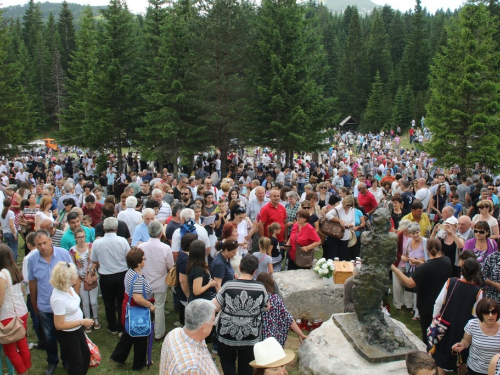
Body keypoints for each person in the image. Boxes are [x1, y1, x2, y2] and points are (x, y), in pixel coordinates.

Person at [212, 255, 269, 375]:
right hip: (250, 336)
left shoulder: (228, 285)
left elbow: (215, 306)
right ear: (255, 271)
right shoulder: (260, 287)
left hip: (227, 335)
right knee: (247, 366)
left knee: (227, 363)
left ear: (239, 267)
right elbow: (266, 306)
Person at [391, 239, 452, 347]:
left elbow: (409, 283)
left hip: (427, 307)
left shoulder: (425, 268)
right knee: (440, 334)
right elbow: (435, 267)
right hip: (442, 305)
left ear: (427, 250)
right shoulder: (447, 261)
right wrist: (421, 263)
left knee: (427, 336)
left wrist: (395, 269)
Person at [28, 230, 73, 375]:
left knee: (65, 335)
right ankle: (52, 361)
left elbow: (73, 276)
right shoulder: (32, 259)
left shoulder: (63, 254)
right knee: (49, 336)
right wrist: (34, 303)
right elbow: (32, 282)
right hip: (44, 305)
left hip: (63, 304)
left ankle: (67, 361)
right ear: (34, 245)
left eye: (44, 243)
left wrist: (73, 296)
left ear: (50, 241)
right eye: (38, 244)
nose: (42, 247)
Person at [432, 258, 482, 375]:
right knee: (462, 356)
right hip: (464, 328)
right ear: (476, 272)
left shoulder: (451, 282)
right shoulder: (478, 292)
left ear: (462, 269)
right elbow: (476, 314)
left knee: (442, 353)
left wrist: (435, 319)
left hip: (446, 323)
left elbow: (438, 303)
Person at [110, 247, 155, 371]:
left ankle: (118, 356)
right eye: (144, 258)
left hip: (129, 308)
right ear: (138, 263)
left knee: (130, 333)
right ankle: (139, 364)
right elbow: (138, 298)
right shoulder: (138, 279)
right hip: (138, 310)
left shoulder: (130, 272)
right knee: (140, 336)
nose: (145, 260)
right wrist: (150, 305)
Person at [50, 261, 93, 375]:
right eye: (74, 275)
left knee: (85, 356)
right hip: (67, 334)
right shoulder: (58, 299)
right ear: (66, 278)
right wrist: (81, 321)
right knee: (76, 364)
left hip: (77, 329)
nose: (76, 276)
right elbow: (59, 325)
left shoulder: (69, 288)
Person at [89, 217, 130, 335]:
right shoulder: (122, 241)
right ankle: (121, 326)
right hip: (121, 274)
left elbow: (94, 260)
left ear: (103, 228)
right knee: (122, 301)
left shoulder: (97, 243)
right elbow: (128, 257)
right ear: (116, 228)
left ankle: (112, 326)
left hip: (106, 276)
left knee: (109, 302)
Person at [160, 299, 220, 375]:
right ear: (204, 327)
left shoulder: (174, 332)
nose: (214, 324)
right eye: (213, 320)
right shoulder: (191, 368)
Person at [138, 221, 174, 340]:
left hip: (145, 282)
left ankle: (144, 329)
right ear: (160, 233)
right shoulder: (165, 248)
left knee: (145, 306)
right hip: (159, 282)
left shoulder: (141, 246)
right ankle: (159, 333)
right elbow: (170, 265)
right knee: (159, 307)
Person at [0, 244, 31, 375]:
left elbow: (0, 300)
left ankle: (22, 372)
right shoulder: (15, 270)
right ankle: (27, 370)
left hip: (9, 316)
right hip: (21, 312)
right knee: (22, 343)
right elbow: (22, 291)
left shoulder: (2, 275)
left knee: (10, 350)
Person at [256, 273, 306, 347]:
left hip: (258, 339)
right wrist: (300, 334)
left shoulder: (256, 300)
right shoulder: (276, 299)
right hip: (273, 340)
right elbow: (288, 319)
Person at [452, 298, 500, 375]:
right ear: (480, 313)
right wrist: (462, 345)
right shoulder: (472, 324)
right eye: (486, 312)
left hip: (496, 370)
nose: (491, 315)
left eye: (493, 312)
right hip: (475, 368)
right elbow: (466, 340)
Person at [69, 228, 100, 333]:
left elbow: (96, 261)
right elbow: (72, 265)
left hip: (92, 277)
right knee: (85, 302)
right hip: (81, 279)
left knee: (94, 301)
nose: (81, 239)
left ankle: (95, 319)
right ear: (75, 238)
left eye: (83, 237)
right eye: (79, 237)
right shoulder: (73, 250)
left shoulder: (91, 246)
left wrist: (91, 272)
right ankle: (88, 321)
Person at [324, 195, 356, 261]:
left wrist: (348, 225)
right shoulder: (339, 208)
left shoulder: (352, 210)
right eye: (347, 206)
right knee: (332, 255)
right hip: (335, 234)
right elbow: (328, 215)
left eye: (349, 206)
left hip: (345, 235)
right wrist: (339, 220)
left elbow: (353, 222)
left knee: (342, 255)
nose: (348, 207)